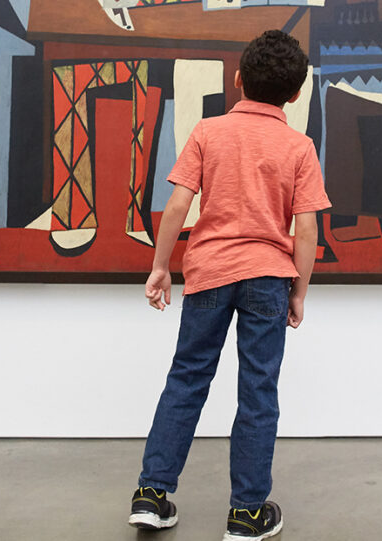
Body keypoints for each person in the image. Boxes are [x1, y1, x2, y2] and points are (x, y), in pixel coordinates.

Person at [128, 29, 331, 540]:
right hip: (268, 277)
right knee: (258, 389)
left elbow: (178, 205)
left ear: (238, 80)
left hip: (209, 271)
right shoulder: (299, 147)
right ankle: (246, 512)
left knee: (187, 377)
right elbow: (305, 229)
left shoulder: (208, 132)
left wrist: (160, 266)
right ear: (296, 93)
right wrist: (300, 290)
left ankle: (152, 494)